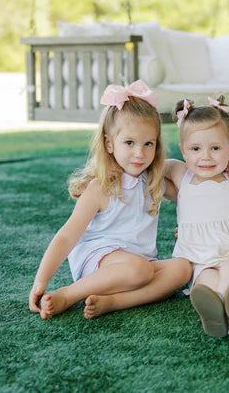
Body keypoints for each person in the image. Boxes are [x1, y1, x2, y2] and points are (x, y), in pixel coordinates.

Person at [28, 80, 191, 320]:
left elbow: (193, 198)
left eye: (148, 143)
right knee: (139, 270)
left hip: (139, 264)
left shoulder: (153, 182)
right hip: (99, 260)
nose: (140, 153)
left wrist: (191, 224)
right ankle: (69, 294)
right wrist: (41, 280)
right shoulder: (101, 187)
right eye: (129, 143)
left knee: (182, 269)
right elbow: (67, 236)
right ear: (109, 144)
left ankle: (114, 301)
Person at [164, 96, 229, 346]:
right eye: (195, 149)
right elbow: (156, 166)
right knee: (205, 282)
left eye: (216, 148)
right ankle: (218, 309)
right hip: (201, 259)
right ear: (183, 150)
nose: (206, 157)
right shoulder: (182, 175)